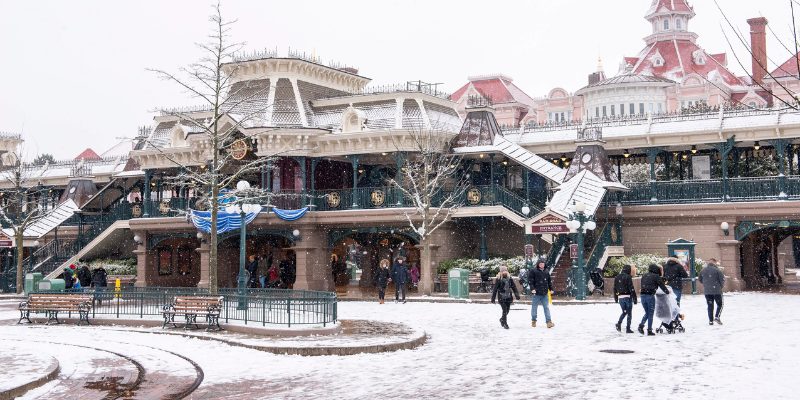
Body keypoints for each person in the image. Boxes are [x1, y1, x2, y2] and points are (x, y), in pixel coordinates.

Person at [638, 263, 669, 336]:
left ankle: (641, 326)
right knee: (650, 313)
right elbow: (662, 285)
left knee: (647, 313)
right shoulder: (656, 276)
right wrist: (667, 292)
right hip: (650, 296)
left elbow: (645, 284)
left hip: (642, 296)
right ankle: (649, 330)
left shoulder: (644, 275)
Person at [528, 258, 554, 328]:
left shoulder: (546, 271)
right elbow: (530, 281)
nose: (542, 265)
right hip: (536, 293)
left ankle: (549, 322)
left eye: (543, 264)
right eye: (540, 264)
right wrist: (532, 289)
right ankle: (534, 320)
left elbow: (549, 282)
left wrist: (551, 289)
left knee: (546, 308)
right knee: (534, 307)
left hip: (544, 293)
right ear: (538, 264)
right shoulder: (533, 271)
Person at [699, 258, 725, 325]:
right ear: (715, 263)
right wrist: (720, 287)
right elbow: (722, 280)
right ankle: (717, 317)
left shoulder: (703, 270)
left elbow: (700, 279)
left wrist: (706, 285)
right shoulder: (717, 270)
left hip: (707, 291)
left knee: (710, 305)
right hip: (717, 291)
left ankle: (710, 321)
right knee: (720, 304)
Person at [613, 264, 638, 333]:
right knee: (629, 313)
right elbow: (631, 288)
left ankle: (619, 323)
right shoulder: (628, 277)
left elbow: (615, 288)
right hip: (627, 297)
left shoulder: (617, 277)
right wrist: (635, 298)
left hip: (620, 297)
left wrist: (616, 298)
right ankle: (628, 328)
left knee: (624, 312)